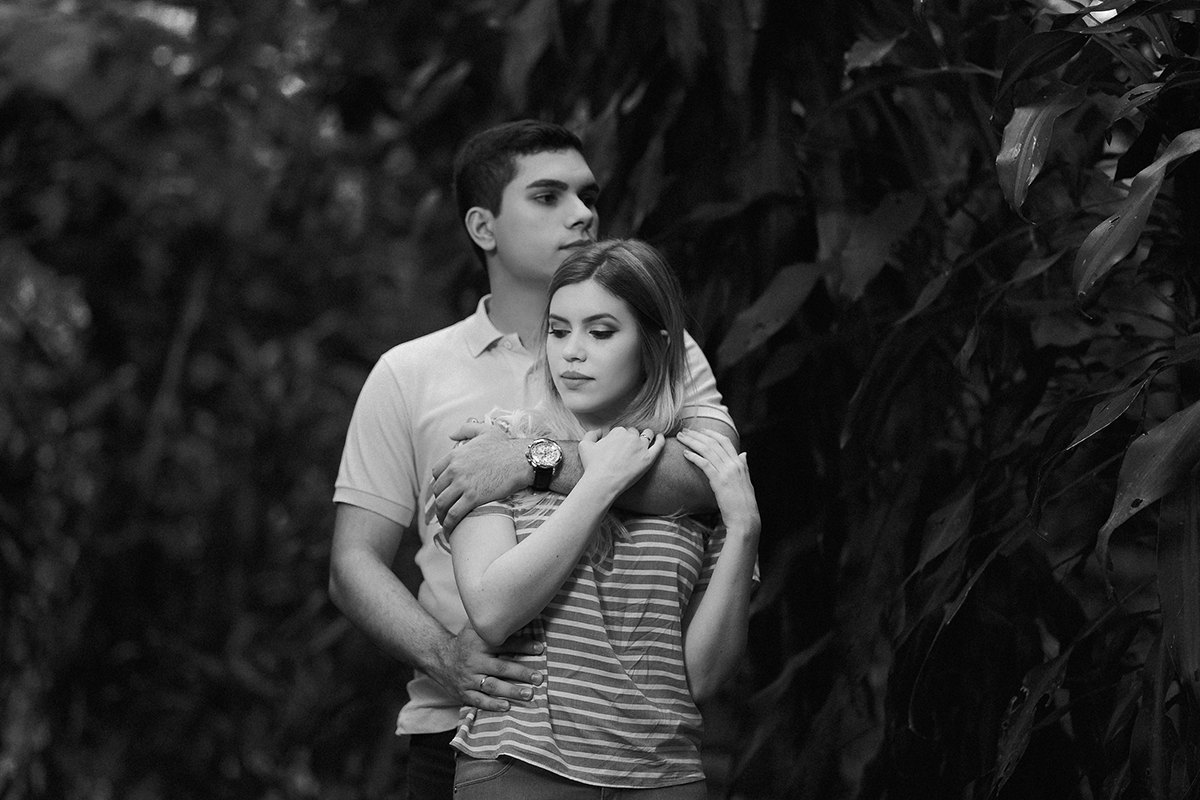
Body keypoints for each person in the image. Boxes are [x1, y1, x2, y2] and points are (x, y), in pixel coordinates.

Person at [328, 120, 738, 800]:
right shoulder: (410, 372)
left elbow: (705, 478)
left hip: (639, 739)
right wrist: (444, 656)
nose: (582, 214)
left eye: (588, 196)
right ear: (483, 227)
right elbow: (353, 563)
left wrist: (530, 459)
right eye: (548, 196)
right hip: (469, 723)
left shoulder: (666, 352)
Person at [447, 238, 760, 798]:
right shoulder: (496, 443)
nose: (571, 352)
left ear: (655, 345)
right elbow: (493, 611)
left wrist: (743, 531)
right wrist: (597, 483)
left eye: (600, 332)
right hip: (525, 765)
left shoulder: (693, 469)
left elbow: (703, 676)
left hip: (663, 777)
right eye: (558, 330)